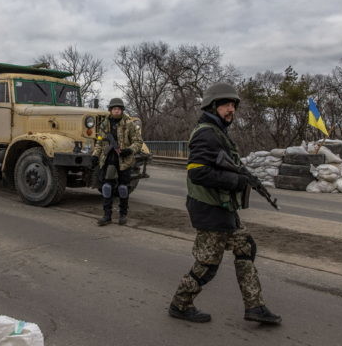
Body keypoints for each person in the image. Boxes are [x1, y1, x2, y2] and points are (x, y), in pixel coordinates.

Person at [168, 83, 282, 325]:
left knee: (245, 247)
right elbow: (197, 173)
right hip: (209, 208)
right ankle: (180, 304)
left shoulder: (218, 132)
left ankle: (255, 306)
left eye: (233, 105)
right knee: (207, 264)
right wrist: (236, 181)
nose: (232, 110)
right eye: (227, 105)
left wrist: (244, 177)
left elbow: (224, 166)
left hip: (221, 207)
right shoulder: (206, 133)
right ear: (213, 106)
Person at [92, 98, 143, 226]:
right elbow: (99, 142)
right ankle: (107, 215)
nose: (116, 111)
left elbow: (138, 142)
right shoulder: (104, 124)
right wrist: (95, 156)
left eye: (119, 109)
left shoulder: (129, 124)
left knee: (123, 188)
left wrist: (129, 150)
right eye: (114, 109)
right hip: (109, 159)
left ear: (121, 110)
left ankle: (122, 214)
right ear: (110, 110)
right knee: (107, 187)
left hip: (124, 160)